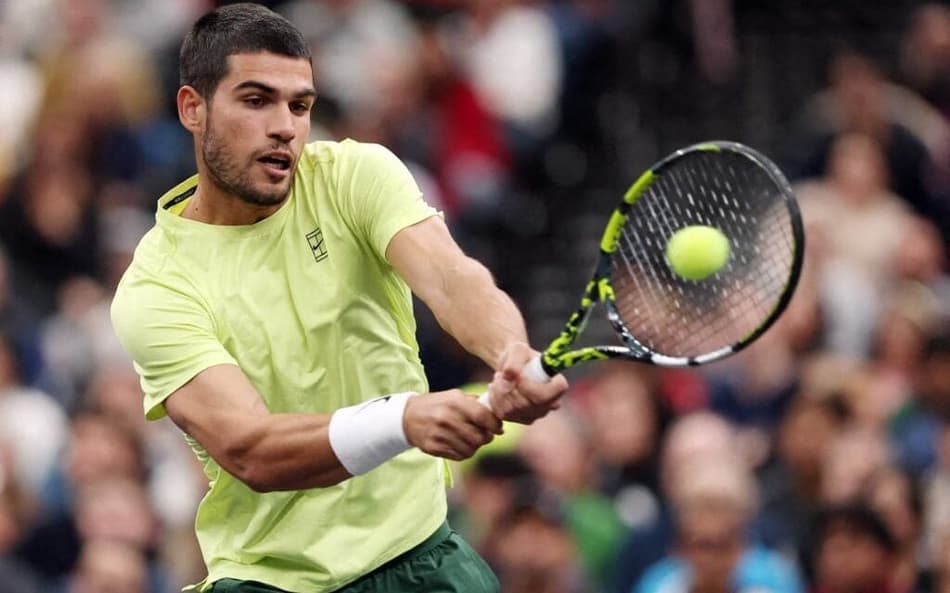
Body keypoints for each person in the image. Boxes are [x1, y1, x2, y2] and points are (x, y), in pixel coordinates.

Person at [108, 4, 568, 593]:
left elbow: (454, 280)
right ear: (192, 108)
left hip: (419, 554)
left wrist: (511, 353)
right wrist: (400, 420)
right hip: (269, 580)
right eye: (256, 100)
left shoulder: (355, 174)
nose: (285, 126)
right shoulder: (155, 287)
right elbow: (252, 450)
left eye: (300, 105)